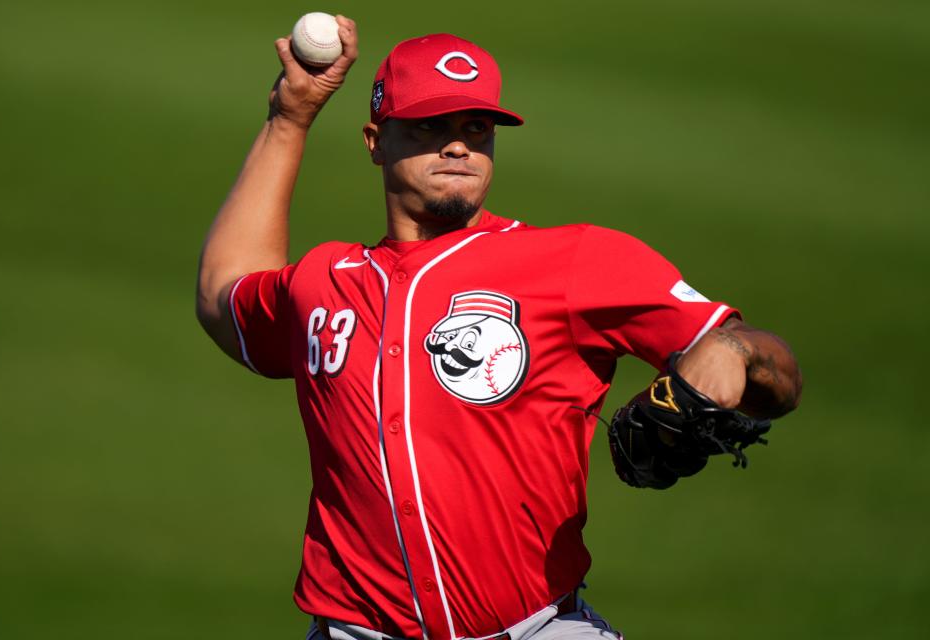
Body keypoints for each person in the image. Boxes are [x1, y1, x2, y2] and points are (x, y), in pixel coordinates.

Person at [196, 17, 801, 640]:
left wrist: (732, 352)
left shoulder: (574, 261)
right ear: (376, 141)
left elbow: (773, 365)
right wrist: (289, 118)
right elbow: (223, 297)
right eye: (431, 126)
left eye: (475, 129)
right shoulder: (324, 281)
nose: (458, 146)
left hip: (540, 628)